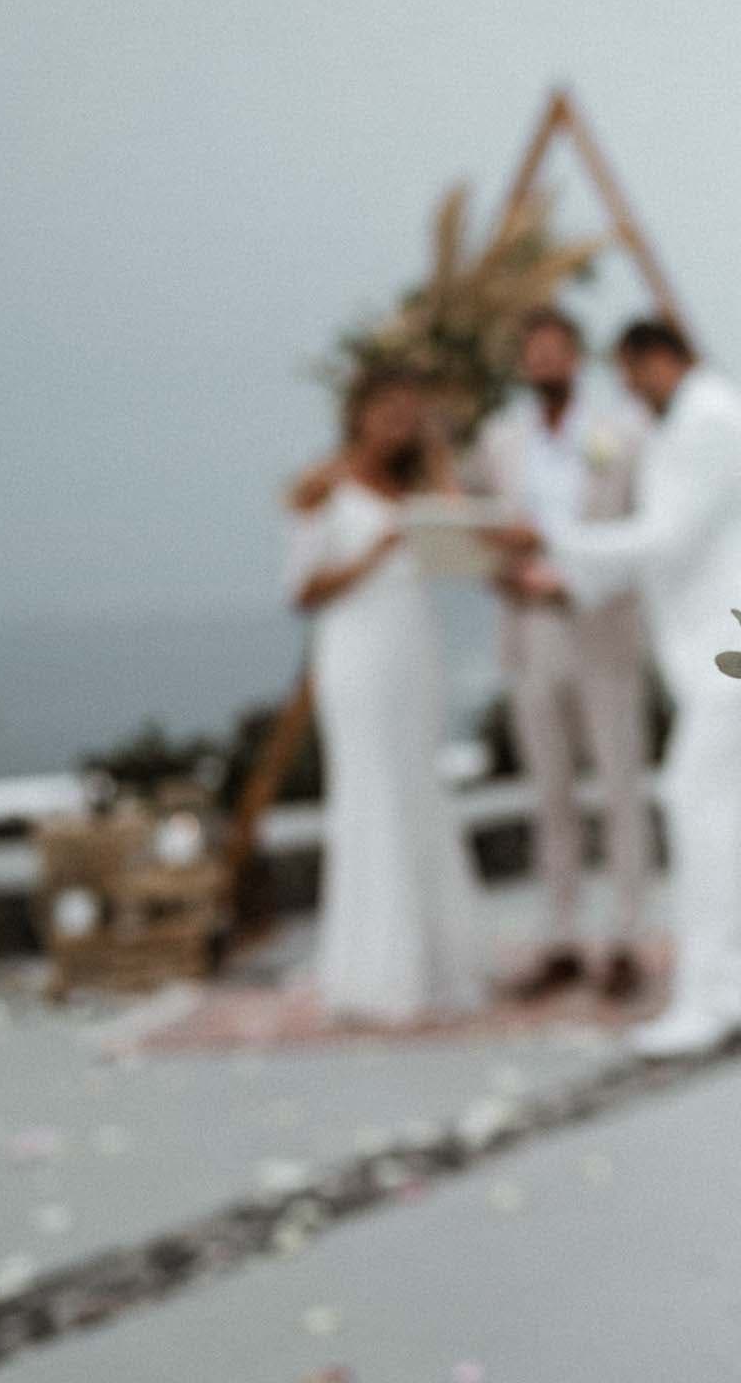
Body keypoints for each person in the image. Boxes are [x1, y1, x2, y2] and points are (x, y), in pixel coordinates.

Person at [499, 319, 741, 1058]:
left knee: (699, 805)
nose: (629, 390)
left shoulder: (705, 419)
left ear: (659, 358)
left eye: (632, 373)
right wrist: (571, 572)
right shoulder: (722, 413)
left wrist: (559, 543)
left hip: (735, 655)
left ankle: (712, 996)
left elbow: (667, 535)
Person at [285, 363, 488, 1023]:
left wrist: (434, 450)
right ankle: (375, 974)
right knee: (371, 794)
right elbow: (302, 589)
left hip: (413, 650)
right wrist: (375, 550)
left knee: (417, 789)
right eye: (391, 411)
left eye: (411, 414)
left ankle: (433, 967)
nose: (399, 424)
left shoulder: (416, 485)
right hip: (356, 651)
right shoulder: (324, 484)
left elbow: (463, 543)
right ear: (359, 412)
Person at [470, 308, 655, 1002]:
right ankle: (561, 938)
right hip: (529, 630)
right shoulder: (499, 439)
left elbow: (641, 527)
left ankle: (627, 938)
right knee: (548, 793)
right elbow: (479, 530)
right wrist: (501, 562)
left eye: (556, 350)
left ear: (578, 356)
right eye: (533, 353)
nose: (544, 362)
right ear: (521, 364)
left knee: (619, 786)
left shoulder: (622, 434)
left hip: (601, 625)